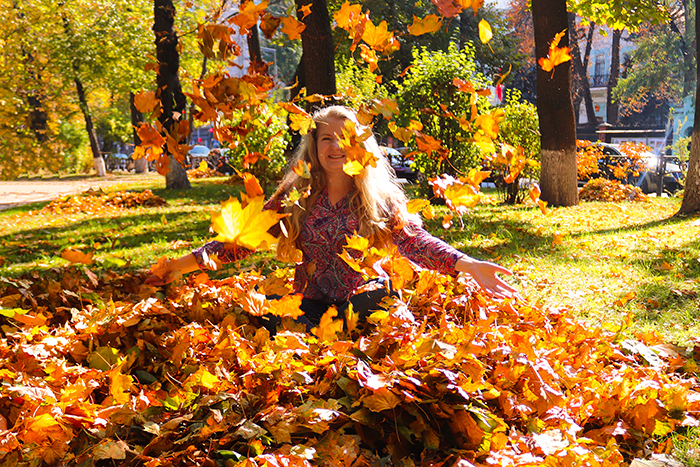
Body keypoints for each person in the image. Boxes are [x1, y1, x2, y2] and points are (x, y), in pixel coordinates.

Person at [146, 105, 516, 329]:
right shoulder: (295, 196)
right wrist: (181, 264)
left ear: (361, 145)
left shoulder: (381, 198)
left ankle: (342, 334)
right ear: (314, 146)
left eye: (345, 138)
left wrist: (465, 263)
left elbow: (414, 242)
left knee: (377, 299)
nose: (336, 146)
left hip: (363, 300)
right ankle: (316, 335)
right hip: (309, 302)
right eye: (326, 139)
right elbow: (242, 241)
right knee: (268, 302)